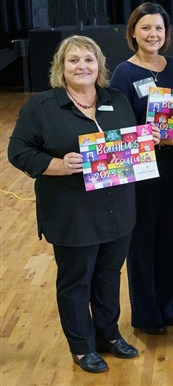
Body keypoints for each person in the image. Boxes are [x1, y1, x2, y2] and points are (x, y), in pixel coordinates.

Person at [8, 36, 142, 373]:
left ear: (99, 65)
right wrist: (57, 165)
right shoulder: (43, 107)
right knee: (77, 280)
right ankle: (82, 347)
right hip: (72, 211)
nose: (82, 66)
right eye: (73, 61)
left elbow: (131, 143)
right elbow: (19, 151)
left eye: (89, 60)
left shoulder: (117, 99)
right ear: (60, 67)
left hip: (117, 208)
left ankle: (108, 335)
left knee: (109, 275)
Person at [110, 2, 173, 335]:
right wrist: (145, 136)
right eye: (145, 28)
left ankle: (168, 308)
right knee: (142, 240)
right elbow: (118, 125)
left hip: (172, 163)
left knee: (169, 237)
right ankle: (146, 314)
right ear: (133, 32)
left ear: (166, 33)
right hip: (139, 167)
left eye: (158, 28)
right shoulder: (124, 73)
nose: (153, 34)